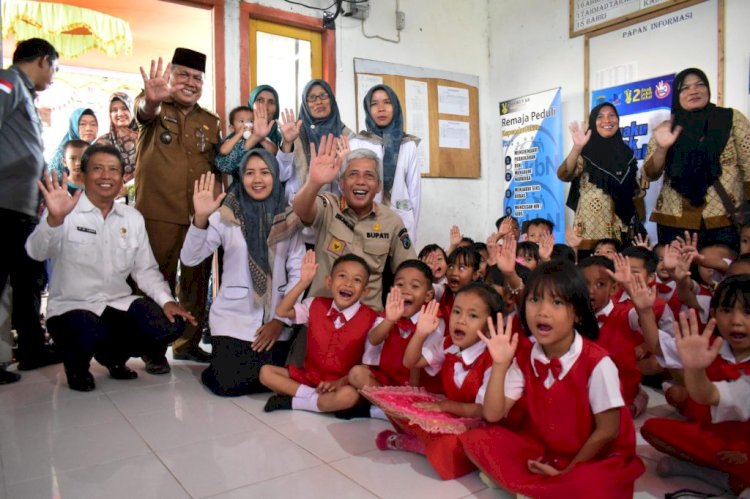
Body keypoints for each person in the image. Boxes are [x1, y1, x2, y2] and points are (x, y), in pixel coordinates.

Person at [460, 260, 644, 498]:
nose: (542, 311)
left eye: (556, 302)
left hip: (592, 457)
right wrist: (499, 364)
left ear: (577, 313)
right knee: (476, 440)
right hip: (546, 448)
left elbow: (608, 431)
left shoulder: (597, 362)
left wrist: (568, 471)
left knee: (593, 484)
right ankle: (543, 489)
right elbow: (493, 414)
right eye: (535, 300)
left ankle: (539, 487)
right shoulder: (526, 354)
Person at [25, 144, 195, 391]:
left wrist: (167, 301)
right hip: (72, 307)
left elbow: (145, 270)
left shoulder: (131, 218)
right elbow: (35, 252)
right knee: (88, 328)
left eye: (113, 170)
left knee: (171, 324)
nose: (106, 176)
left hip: (116, 303)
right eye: (98, 169)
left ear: (122, 177)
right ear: (82, 175)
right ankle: (77, 367)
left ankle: (113, 357)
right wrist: (54, 220)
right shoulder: (65, 211)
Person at [180, 149, 297, 396]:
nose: (257, 180)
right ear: (241, 177)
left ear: (276, 177)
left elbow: (297, 273)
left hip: (274, 319)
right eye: (250, 173)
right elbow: (190, 258)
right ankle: (218, 368)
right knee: (228, 386)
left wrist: (280, 320)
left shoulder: (289, 219)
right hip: (232, 318)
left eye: (265, 173)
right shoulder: (226, 215)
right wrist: (201, 218)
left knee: (270, 382)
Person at [134, 49, 221, 369]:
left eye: (197, 78)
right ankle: (153, 348)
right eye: (183, 75)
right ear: (170, 76)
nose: (190, 82)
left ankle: (187, 343)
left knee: (197, 282)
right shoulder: (153, 105)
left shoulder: (210, 122)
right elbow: (143, 113)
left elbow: (218, 163)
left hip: (198, 217)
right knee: (158, 280)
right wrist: (152, 100)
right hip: (158, 212)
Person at [375, 282, 504, 480]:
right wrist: (421, 333)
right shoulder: (448, 344)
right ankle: (426, 440)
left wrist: (444, 407)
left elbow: (483, 410)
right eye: (457, 312)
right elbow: (410, 362)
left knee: (448, 448)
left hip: (481, 424)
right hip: (451, 414)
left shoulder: (492, 358)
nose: (460, 321)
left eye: (472, 316)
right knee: (396, 405)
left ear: (489, 328)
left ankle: (417, 444)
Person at [640, 281, 750, 497]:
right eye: (727, 310)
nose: (736, 321)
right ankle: (718, 474)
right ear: (714, 312)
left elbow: (710, 394)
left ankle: (720, 474)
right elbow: (705, 394)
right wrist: (644, 310)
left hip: (745, 447)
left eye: (748, 312)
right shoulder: (707, 346)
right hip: (714, 437)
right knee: (652, 429)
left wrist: (745, 453)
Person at [292, 135, 416, 311]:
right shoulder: (329, 206)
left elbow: (409, 269)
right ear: (341, 183)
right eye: (353, 174)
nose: (360, 181)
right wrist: (314, 182)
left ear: (379, 186)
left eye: (369, 176)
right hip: (322, 314)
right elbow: (301, 210)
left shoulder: (392, 221)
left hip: (368, 322)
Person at [0, 38, 61, 382]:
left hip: (20, 209)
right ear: (42, 60)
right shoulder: (7, 82)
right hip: (4, 204)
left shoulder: (25, 94)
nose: (52, 74)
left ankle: (32, 350)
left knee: (28, 280)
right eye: (53, 66)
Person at [643, 68, 750, 249]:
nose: (694, 90)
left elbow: (748, 164)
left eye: (700, 84)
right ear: (677, 95)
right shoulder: (667, 127)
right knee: (677, 273)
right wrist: (662, 148)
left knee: (721, 273)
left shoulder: (730, 119)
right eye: (685, 88)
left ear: (708, 89)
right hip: (674, 220)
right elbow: (650, 173)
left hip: (722, 218)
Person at [260, 252, 378, 413]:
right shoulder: (315, 304)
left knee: (349, 396)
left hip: (342, 384)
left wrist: (340, 383)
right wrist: (304, 282)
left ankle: (296, 402)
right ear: (329, 281)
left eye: (357, 280)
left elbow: (367, 368)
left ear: (365, 291)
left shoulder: (372, 319)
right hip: (309, 379)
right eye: (342, 276)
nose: (349, 283)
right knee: (266, 373)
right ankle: (316, 400)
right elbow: (282, 311)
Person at [558, 102, 640, 251]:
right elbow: (564, 174)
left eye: (611, 115)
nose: (607, 120)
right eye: (600, 116)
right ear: (593, 122)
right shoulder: (586, 152)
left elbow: (634, 193)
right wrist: (577, 148)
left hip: (620, 234)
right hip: (589, 233)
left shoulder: (627, 154)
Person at [350, 260, 442, 391]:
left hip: (417, 386)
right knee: (356, 374)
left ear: (428, 296)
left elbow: (415, 365)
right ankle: (387, 402)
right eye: (400, 284)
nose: (405, 290)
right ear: (392, 289)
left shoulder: (433, 321)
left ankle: (388, 406)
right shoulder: (389, 314)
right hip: (387, 381)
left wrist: (420, 333)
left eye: (415, 286)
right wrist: (389, 320)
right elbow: (373, 339)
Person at [349, 84, 422, 239]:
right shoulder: (357, 143)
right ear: (368, 110)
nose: (381, 108)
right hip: (365, 220)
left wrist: (412, 226)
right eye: (374, 104)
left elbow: (414, 193)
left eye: (387, 102)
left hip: (401, 221)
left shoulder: (408, 145)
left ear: (395, 106)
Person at [277, 80, 353, 201]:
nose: (318, 101)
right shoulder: (295, 132)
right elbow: (281, 175)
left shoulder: (347, 136)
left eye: (323, 95)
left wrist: (345, 164)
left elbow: (353, 180)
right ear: (305, 103)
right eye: (312, 98)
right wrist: (287, 143)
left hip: (335, 209)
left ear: (332, 100)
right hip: (298, 209)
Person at [95, 92, 139, 196]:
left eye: (124, 108)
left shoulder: (144, 139)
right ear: (109, 115)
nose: (120, 113)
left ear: (132, 110)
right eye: (114, 110)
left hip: (142, 197)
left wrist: (129, 188)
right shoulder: (103, 142)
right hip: (110, 197)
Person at [48, 108, 99, 178]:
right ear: (74, 126)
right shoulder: (63, 153)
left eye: (93, 124)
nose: (88, 128)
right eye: (83, 124)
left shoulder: (97, 151)